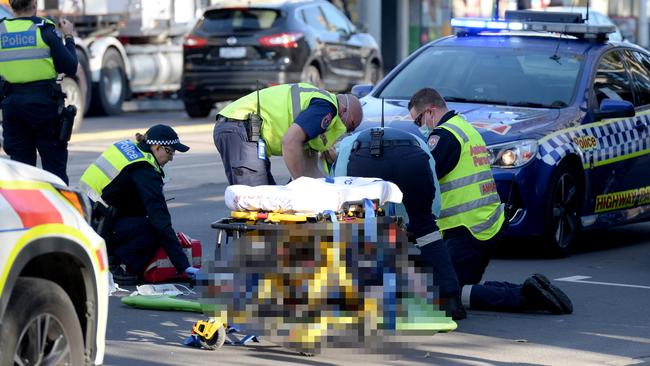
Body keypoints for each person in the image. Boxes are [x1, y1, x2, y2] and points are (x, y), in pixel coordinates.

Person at [408, 88, 573, 314]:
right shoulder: (465, 128)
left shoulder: (444, 136)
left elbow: (425, 178)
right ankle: (528, 289)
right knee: (463, 288)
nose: (420, 126)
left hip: (465, 228)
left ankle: (525, 297)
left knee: (444, 292)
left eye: (418, 120)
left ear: (430, 111)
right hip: (483, 225)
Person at [333, 126, 467, 320]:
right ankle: (450, 300)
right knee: (426, 230)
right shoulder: (418, 140)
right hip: (411, 160)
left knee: (360, 229)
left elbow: (341, 190)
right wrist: (421, 221)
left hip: (364, 162)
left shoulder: (347, 145)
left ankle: (365, 300)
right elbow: (435, 199)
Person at [79, 124, 199, 284]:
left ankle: (110, 254)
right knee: (155, 228)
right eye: (170, 151)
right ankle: (110, 263)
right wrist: (183, 266)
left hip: (85, 212)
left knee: (144, 215)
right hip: (97, 223)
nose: (171, 158)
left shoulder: (129, 147)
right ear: (157, 147)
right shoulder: (144, 169)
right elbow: (160, 219)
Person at [213, 82, 362, 186]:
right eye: (350, 127)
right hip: (240, 123)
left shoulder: (314, 118)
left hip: (245, 129)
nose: (347, 132)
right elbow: (290, 142)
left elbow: (310, 171)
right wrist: (299, 185)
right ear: (343, 111)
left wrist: (331, 190)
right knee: (256, 197)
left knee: (267, 200)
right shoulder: (326, 107)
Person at [0, 0, 78, 184]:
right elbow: (70, 66)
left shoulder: (1, 31)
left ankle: (26, 212)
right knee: (55, 172)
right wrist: (69, 37)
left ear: (11, 6)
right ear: (34, 4)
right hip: (44, 107)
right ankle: (60, 212)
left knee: (21, 173)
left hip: (12, 107)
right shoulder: (44, 29)